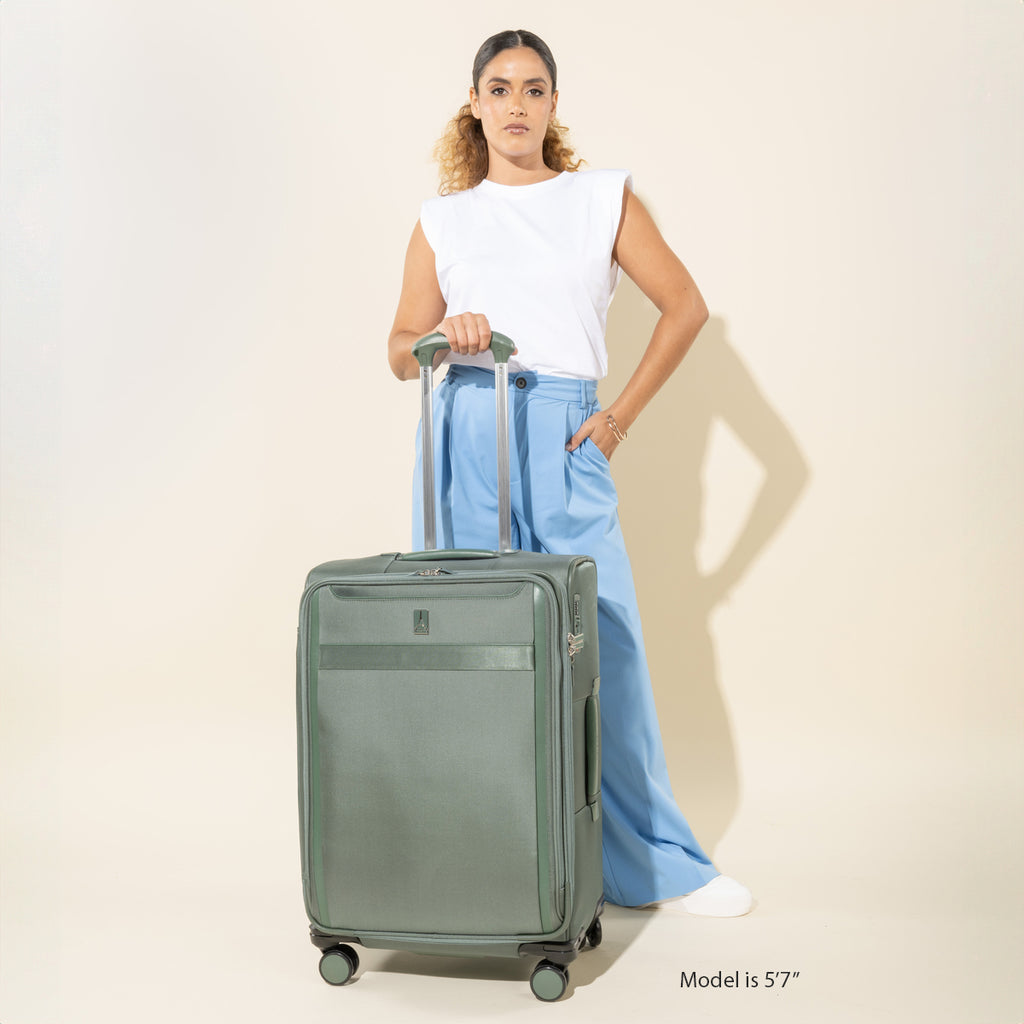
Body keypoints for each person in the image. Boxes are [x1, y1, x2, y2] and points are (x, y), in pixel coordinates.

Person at [387, 29, 753, 917]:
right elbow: (400, 352)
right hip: (467, 426)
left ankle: (655, 868)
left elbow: (686, 305)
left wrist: (616, 419)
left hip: (562, 433)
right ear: (473, 103)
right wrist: (445, 337)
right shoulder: (444, 220)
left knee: (606, 643)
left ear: (554, 105)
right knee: (477, 650)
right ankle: (485, 859)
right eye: (500, 88)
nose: (517, 104)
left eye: (535, 89)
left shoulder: (601, 199)